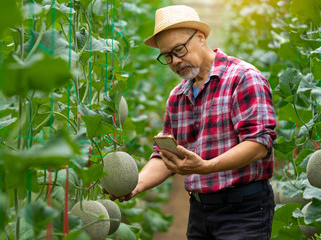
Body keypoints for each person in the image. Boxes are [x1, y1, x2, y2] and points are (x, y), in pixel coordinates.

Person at [106, 5, 277, 240]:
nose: (175, 61)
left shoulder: (243, 77)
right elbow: (165, 156)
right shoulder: (177, 96)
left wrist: (207, 167)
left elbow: (258, 143)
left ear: (200, 37)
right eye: (167, 56)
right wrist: (137, 185)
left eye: (179, 50)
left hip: (243, 209)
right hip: (200, 211)